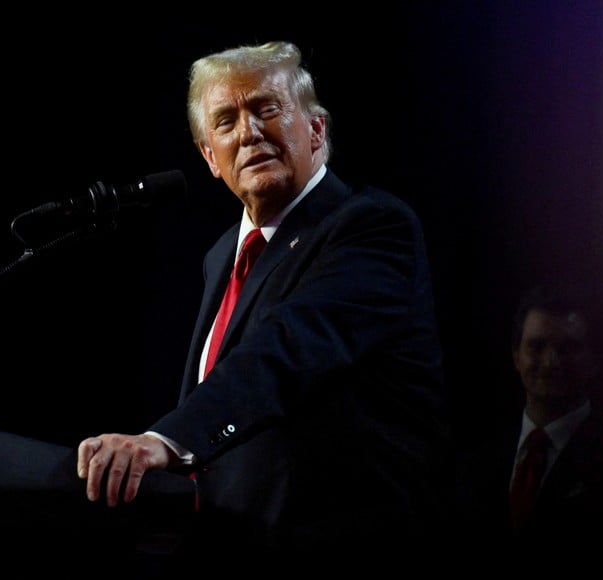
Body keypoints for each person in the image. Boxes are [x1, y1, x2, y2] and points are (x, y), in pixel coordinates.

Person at [76, 40, 453, 565]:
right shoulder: (219, 258)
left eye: (267, 108)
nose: (248, 132)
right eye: (226, 121)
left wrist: (167, 438)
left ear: (316, 130)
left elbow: (286, 350)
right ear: (210, 157)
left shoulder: (368, 227)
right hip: (237, 551)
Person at [455, 282, 603, 564]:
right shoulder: (477, 462)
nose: (551, 362)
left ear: (593, 360)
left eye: (567, 348)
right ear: (516, 356)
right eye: (536, 346)